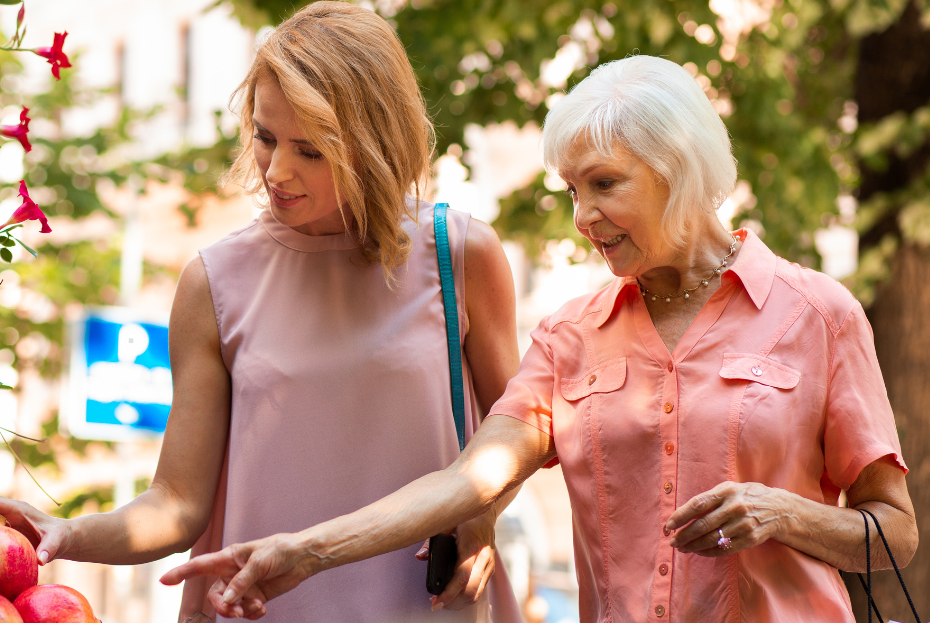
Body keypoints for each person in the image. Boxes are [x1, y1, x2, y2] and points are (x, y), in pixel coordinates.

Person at [161, 55, 919, 622]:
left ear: (677, 171)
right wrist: (307, 551)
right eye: (571, 190)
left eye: (605, 184)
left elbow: (894, 532)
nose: (582, 215)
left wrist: (783, 512)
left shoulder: (818, 314)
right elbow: (469, 479)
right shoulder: (571, 337)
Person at [0, 3, 525, 621]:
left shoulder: (461, 256)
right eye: (265, 136)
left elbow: (519, 436)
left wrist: (481, 515)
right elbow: (176, 503)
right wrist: (68, 534)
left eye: (310, 150)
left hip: (424, 603)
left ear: (374, 143)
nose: (277, 171)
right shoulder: (214, 281)